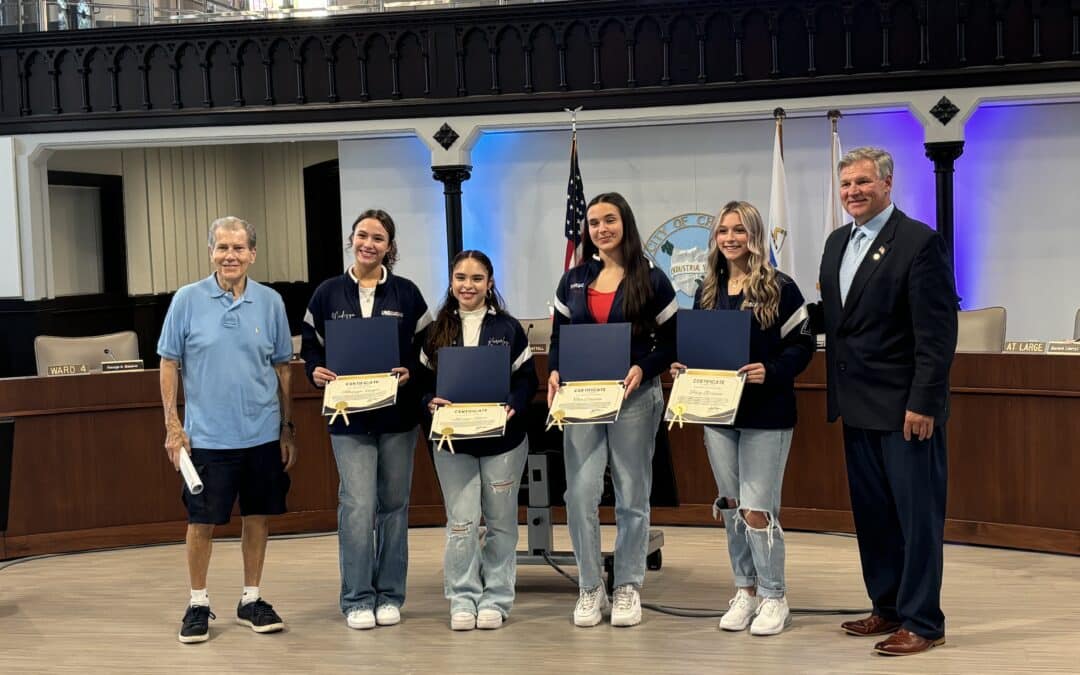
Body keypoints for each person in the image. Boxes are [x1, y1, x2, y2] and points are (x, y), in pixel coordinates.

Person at [818, 147, 957, 656]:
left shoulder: (920, 243)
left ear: (888, 184)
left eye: (862, 182)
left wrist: (924, 401)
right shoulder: (836, 244)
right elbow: (838, 320)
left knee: (917, 520)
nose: (853, 191)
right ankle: (888, 607)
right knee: (874, 516)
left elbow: (937, 334)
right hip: (856, 407)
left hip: (906, 412)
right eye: (846, 184)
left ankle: (924, 621)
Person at [671, 201, 814, 636]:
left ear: (755, 236)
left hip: (767, 414)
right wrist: (685, 368)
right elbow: (700, 348)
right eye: (723, 231)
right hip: (717, 415)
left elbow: (803, 347)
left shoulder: (782, 287)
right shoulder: (706, 290)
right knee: (732, 506)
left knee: (757, 510)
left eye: (740, 231)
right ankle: (745, 591)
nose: (731, 238)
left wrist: (770, 370)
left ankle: (774, 595)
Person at [158, 216, 297, 644]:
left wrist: (286, 427)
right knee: (201, 523)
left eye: (238, 248)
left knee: (257, 518)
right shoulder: (186, 300)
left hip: (261, 436)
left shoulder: (271, 302)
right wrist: (172, 427)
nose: (230, 256)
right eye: (222, 248)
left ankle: (250, 599)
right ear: (211, 252)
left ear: (252, 254)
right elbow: (168, 362)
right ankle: (198, 602)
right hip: (207, 440)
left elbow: (282, 368)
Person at [548, 192, 677, 628]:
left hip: (635, 399)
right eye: (594, 222)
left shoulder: (653, 278)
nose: (601, 229)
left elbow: (673, 342)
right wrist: (553, 371)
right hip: (582, 399)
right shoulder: (574, 279)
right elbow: (560, 336)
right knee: (580, 493)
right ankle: (589, 586)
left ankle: (627, 586)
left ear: (626, 223)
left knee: (631, 494)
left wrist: (644, 367)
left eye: (610, 220)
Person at [301, 209, 430, 630]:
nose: (368, 244)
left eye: (378, 238)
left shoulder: (408, 294)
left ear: (390, 247)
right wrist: (314, 371)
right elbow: (312, 349)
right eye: (362, 235)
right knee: (357, 506)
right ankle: (357, 597)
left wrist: (412, 368)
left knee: (393, 506)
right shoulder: (327, 293)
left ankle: (390, 594)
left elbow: (428, 348)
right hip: (349, 419)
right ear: (351, 240)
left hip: (398, 418)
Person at [418, 250, 538, 631]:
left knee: (501, 522)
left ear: (490, 283)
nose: (467, 286)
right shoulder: (434, 331)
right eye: (460, 277)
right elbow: (420, 386)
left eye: (476, 278)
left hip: (502, 442)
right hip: (454, 443)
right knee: (462, 523)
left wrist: (513, 406)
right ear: (451, 282)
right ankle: (462, 597)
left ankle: (497, 599)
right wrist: (427, 402)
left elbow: (527, 381)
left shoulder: (508, 329)